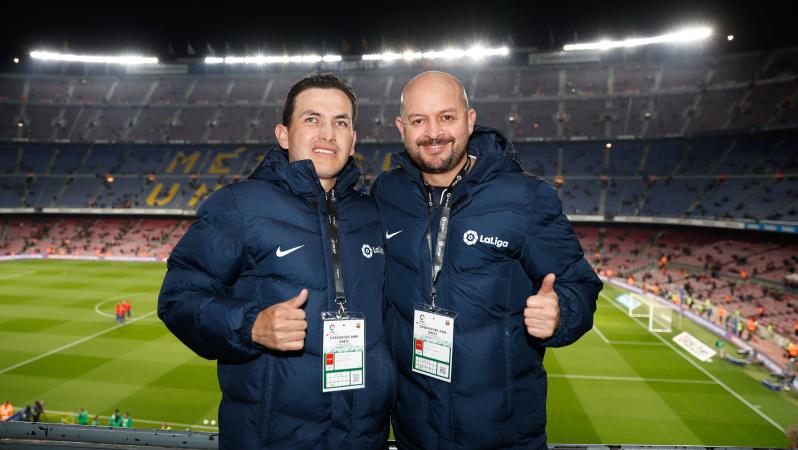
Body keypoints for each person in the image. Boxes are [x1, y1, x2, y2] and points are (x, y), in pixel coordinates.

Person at [158, 73, 394, 449]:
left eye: (341, 122)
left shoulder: (374, 215)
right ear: (283, 135)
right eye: (312, 119)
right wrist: (251, 326)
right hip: (273, 439)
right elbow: (177, 300)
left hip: (364, 438)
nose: (327, 134)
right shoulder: (238, 206)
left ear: (353, 141)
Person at [371, 71, 602, 449]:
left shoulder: (526, 197)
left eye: (447, 117)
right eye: (418, 120)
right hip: (414, 433)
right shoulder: (386, 194)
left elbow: (580, 286)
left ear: (470, 120)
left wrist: (562, 313)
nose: (434, 132)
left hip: (503, 436)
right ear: (401, 127)